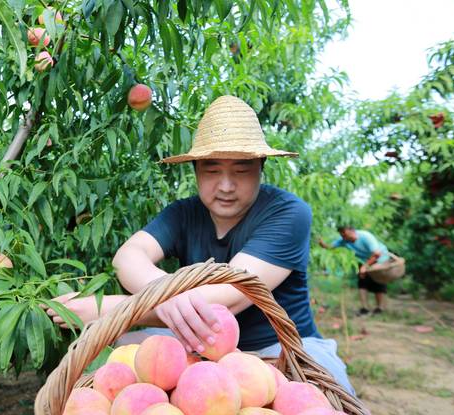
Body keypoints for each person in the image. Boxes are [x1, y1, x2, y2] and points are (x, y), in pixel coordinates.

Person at [45, 95, 355, 395]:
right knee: (114, 373)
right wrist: (165, 292)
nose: (225, 186)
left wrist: (112, 309)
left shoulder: (287, 213)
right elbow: (127, 257)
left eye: (242, 171)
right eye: (212, 170)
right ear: (195, 171)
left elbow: (226, 300)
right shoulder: (185, 213)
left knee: (330, 407)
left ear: (261, 169)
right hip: (196, 344)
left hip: (282, 347)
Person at [319, 225, 390, 315]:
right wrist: (322, 244)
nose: (343, 236)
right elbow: (331, 248)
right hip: (364, 261)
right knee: (362, 282)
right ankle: (364, 308)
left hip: (380, 260)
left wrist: (365, 266)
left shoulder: (365, 237)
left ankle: (379, 308)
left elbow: (377, 254)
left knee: (378, 282)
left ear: (352, 231)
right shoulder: (344, 240)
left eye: (344, 234)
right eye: (341, 235)